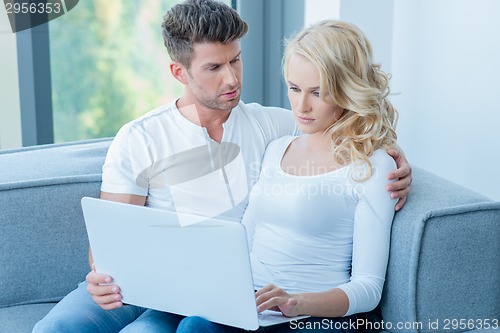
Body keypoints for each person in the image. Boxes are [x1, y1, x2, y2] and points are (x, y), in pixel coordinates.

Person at [33, 1, 411, 332]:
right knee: (56, 328)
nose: (231, 79)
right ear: (179, 73)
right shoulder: (140, 137)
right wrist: (101, 272)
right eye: (214, 67)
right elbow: (110, 239)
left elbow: (341, 126)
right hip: (141, 280)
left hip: (218, 290)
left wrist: (393, 155)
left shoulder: (273, 126)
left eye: (236, 60)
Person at [175, 19, 399, 332]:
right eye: (294, 89)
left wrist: (296, 302)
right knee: (192, 326)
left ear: (348, 90)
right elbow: (244, 242)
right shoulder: (277, 147)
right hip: (248, 307)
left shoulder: (372, 166)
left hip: (312, 317)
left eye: (318, 92)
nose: (301, 106)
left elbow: (368, 289)